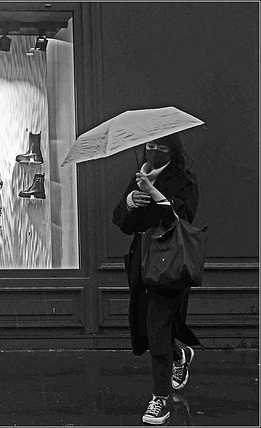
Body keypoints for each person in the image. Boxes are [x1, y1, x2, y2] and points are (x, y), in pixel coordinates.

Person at [112, 132, 202, 425]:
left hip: (171, 261)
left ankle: (159, 399)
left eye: (161, 145)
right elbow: (122, 223)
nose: (153, 150)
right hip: (142, 261)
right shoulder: (139, 178)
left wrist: (155, 194)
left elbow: (181, 220)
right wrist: (129, 202)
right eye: (150, 144)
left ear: (173, 151)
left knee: (158, 325)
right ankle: (178, 355)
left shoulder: (185, 183)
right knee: (148, 327)